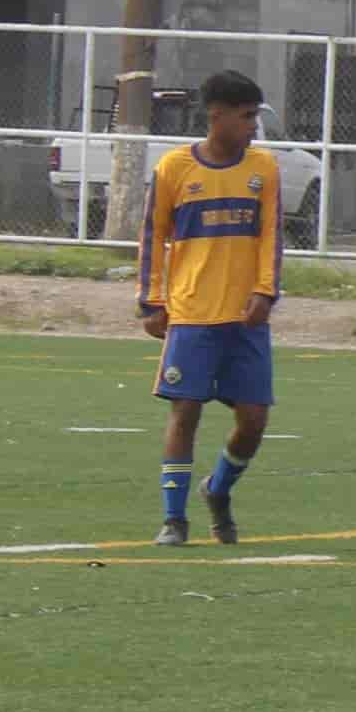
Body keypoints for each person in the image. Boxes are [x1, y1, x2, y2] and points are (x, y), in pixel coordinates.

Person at [139, 70, 285, 547]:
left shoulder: (264, 169)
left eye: (254, 118)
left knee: (254, 421)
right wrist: (152, 302)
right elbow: (152, 238)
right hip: (191, 315)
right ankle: (173, 519)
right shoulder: (174, 168)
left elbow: (271, 237)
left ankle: (218, 489)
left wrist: (265, 291)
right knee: (185, 413)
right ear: (216, 116)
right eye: (245, 117)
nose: (251, 127)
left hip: (245, 319)